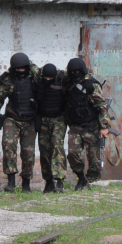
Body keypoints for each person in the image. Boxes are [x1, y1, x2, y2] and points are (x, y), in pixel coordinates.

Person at [0, 52, 39, 193]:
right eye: (17, 69)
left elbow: (44, 76)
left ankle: (26, 183)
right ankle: (11, 182)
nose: (20, 71)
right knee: (8, 146)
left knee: (28, 153)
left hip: (29, 120)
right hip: (12, 119)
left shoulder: (34, 79)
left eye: (23, 68)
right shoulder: (9, 80)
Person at [64, 57, 111, 191]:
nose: (75, 74)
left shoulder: (92, 85)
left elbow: (102, 106)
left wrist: (104, 127)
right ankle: (82, 179)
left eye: (78, 71)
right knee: (72, 154)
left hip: (92, 127)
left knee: (94, 161)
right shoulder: (68, 83)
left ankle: (93, 184)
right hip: (75, 127)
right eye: (73, 72)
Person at [36, 63, 67, 193]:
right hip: (43, 119)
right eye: (46, 78)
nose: (48, 80)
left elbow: (83, 72)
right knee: (44, 150)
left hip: (58, 119)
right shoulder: (38, 75)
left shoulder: (62, 78)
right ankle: (49, 182)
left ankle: (59, 181)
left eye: (50, 78)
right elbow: (26, 64)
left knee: (57, 146)